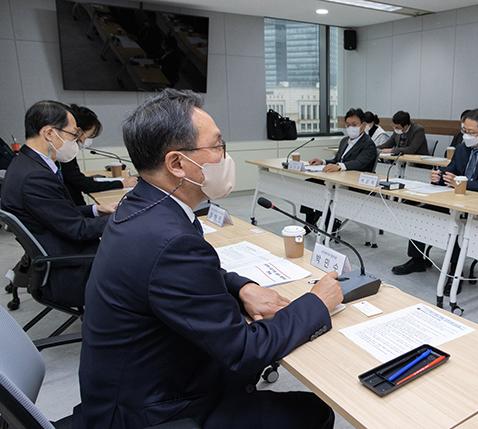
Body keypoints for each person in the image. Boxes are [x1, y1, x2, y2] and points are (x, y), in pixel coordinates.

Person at [78, 89, 342, 429]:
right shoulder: (169, 240)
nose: (224, 156)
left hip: (131, 388)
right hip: (155, 412)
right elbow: (244, 351)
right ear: (176, 163)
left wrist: (241, 287)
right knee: (313, 412)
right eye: (217, 146)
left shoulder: (142, 207)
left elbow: (180, 276)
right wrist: (317, 302)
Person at [0, 100, 115, 307]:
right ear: (50, 133)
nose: (76, 141)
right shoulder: (34, 177)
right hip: (71, 267)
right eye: (73, 134)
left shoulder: (26, 165)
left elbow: (57, 213)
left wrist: (96, 209)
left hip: (62, 254)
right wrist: (124, 217)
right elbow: (77, 229)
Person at [392, 109, 478, 277]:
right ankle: (417, 259)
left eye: (471, 132)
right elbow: (451, 171)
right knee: (421, 211)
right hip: (456, 200)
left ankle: (455, 270)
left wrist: (462, 184)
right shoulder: (462, 148)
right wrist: (438, 176)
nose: (466, 135)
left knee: (456, 222)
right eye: (464, 130)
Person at [60, 104, 138, 206]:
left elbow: (75, 179)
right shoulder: (64, 154)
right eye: (90, 135)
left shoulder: (66, 151)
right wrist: (121, 184)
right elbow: (81, 183)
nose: (87, 139)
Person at [308, 108, 378, 173]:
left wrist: (339, 167)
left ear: (363, 125)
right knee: (310, 181)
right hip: (338, 176)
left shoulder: (368, 144)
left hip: (353, 180)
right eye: (348, 125)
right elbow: (336, 160)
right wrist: (322, 162)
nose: (350, 127)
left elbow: (359, 163)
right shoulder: (344, 141)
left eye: (354, 125)